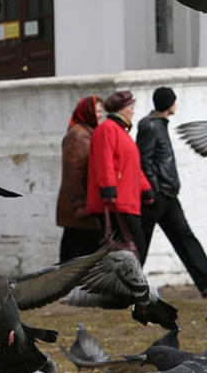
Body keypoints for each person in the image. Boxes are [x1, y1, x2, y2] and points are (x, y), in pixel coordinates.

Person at [136, 86, 207, 298]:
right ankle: (120, 287)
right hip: (157, 196)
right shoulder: (150, 127)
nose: (176, 104)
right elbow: (143, 161)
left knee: (185, 238)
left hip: (168, 196)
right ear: (169, 104)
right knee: (139, 245)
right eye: (174, 101)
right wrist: (154, 189)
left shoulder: (158, 125)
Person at [87, 90, 152, 255]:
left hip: (127, 200)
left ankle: (125, 281)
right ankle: (129, 281)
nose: (133, 111)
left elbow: (132, 166)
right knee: (134, 247)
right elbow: (104, 161)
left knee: (132, 248)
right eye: (130, 107)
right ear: (121, 110)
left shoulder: (122, 132)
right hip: (116, 200)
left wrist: (146, 188)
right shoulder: (107, 130)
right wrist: (108, 189)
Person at [56, 95, 105, 262]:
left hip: (83, 205)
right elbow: (74, 172)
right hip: (79, 206)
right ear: (88, 111)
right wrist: (79, 202)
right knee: (76, 252)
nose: (100, 115)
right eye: (97, 111)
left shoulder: (87, 132)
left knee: (75, 251)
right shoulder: (78, 135)